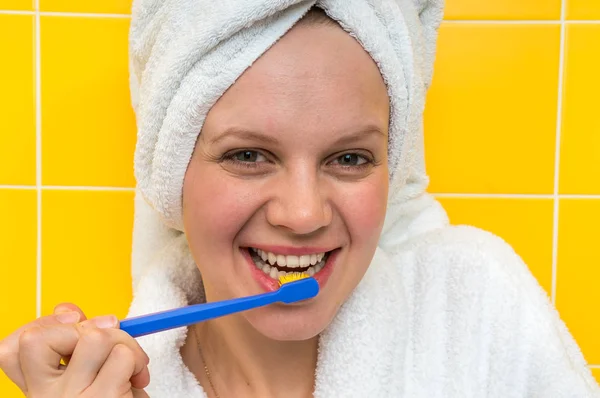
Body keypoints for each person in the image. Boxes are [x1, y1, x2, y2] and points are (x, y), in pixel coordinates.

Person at [1, 1, 599, 397]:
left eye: (349, 158)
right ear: (171, 173)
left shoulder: (479, 311)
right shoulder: (115, 387)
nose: (304, 213)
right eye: (248, 155)